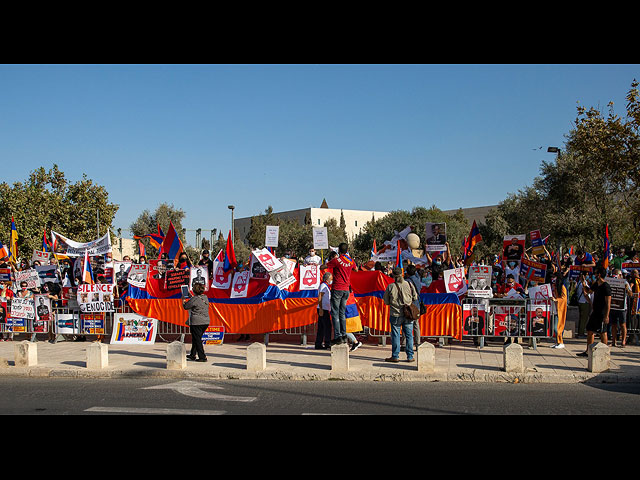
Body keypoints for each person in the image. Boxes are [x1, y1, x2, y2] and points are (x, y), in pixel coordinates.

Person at [382, 267, 418, 363]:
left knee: (396, 335)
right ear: (402, 274)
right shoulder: (409, 284)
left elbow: (386, 301)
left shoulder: (390, 287)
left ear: (393, 275)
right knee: (409, 335)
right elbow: (415, 297)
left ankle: (395, 356)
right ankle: (410, 356)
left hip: (395, 314)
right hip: (408, 315)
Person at [326, 243, 358, 345]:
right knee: (342, 313)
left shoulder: (336, 261)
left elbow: (324, 266)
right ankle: (344, 335)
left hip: (337, 289)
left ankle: (338, 336)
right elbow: (356, 269)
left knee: (335, 313)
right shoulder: (350, 260)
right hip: (346, 290)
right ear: (347, 250)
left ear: (339, 250)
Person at [577, 265, 611, 357]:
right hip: (595, 311)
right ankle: (588, 351)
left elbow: (608, 303)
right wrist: (583, 282)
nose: (594, 275)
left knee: (603, 332)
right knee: (589, 330)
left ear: (599, 275)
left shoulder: (606, 286)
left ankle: (604, 351)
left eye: (595, 273)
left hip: (602, 312)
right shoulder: (596, 284)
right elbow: (588, 291)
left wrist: (606, 315)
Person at [182, 282, 210, 362]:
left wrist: (183, 300)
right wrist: (192, 297)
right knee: (196, 338)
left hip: (196, 322)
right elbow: (197, 301)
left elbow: (186, 306)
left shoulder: (194, 299)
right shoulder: (205, 297)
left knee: (197, 340)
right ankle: (192, 354)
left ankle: (202, 356)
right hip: (205, 321)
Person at [609, 268, 632, 348]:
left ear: (620, 275)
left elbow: (631, 294)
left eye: (617, 274)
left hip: (622, 308)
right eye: (614, 274)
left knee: (623, 324)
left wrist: (627, 288)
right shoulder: (610, 281)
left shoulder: (625, 282)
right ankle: (613, 341)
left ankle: (623, 341)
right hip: (613, 306)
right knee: (613, 325)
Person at [315, 272, 333, 350]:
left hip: (325, 308)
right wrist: (321, 308)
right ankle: (327, 343)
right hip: (323, 309)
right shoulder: (323, 286)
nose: (331, 280)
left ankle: (319, 343)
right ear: (327, 279)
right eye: (331, 278)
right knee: (327, 326)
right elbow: (320, 297)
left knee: (322, 327)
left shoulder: (326, 286)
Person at [550, 272, 567, 348]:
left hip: (560, 309)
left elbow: (564, 298)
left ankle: (561, 342)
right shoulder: (555, 287)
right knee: (554, 327)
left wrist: (556, 300)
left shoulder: (562, 287)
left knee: (557, 327)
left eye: (554, 277)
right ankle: (557, 342)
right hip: (554, 308)